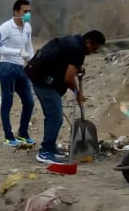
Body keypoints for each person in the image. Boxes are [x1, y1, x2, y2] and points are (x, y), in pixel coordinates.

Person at [26, 30, 106, 165]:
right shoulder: (78, 51)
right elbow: (68, 78)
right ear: (88, 42)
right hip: (45, 83)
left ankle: (49, 147)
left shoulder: (73, 41)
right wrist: (77, 92)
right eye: (94, 48)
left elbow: (62, 59)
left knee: (51, 117)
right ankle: (45, 152)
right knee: (56, 118)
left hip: (37, 76)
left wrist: (77, 68)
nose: (93, 52)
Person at [0, 0, 35, 146]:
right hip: (8, 67)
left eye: (29, 11)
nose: (27, 14)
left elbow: (29, 46)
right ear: (16, 12)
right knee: (8, 102)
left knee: (29, 102)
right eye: (25, 11)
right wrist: (18, 52)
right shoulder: (5, 28)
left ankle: (23, 133)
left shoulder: (27, 27)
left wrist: (32, 61)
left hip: (21, 68)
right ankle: (8, 135)